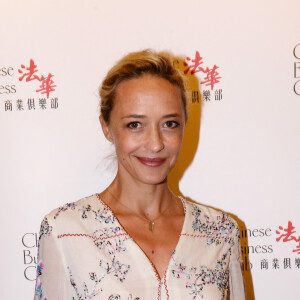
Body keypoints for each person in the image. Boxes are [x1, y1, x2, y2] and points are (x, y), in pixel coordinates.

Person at [34, 50, 246, 300]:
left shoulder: (220, 231)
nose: (155, 144)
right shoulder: (65, 230)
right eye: (135, 124)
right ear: (107, 127)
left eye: (170, 124)